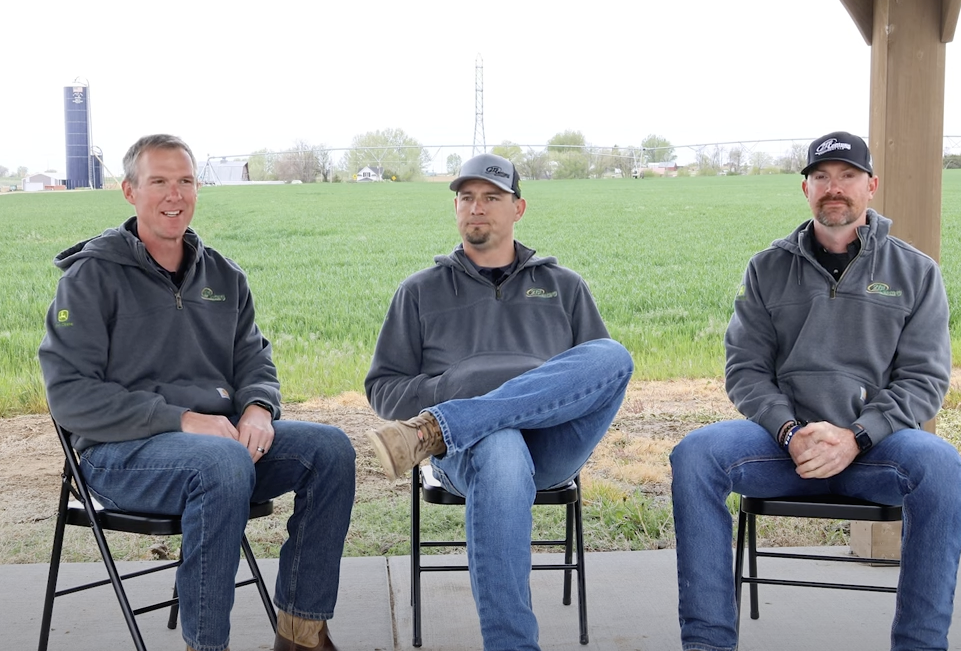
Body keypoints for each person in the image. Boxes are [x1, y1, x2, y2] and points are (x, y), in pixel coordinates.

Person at [39, 134, 355, 651]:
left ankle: (301, 634)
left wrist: (257, 408)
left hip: (222, 442)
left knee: (330, 450)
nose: (174, 194)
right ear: (129, 192)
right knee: (220, 463)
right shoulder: (90, 277)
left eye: (185, 181)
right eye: (158, 181)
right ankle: (206, 644)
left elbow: (255, 359)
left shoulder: (225, 276)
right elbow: (70, 396)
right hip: (119, 455)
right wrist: (184, 419)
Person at [669, 131, 961, 651]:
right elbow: (745, 369)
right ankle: (706, 644)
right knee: (695, 455)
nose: (836, 188)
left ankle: (920, 645)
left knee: (942, 466)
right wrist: (789, 432)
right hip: (784, 448)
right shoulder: (767, 269)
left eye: (848, 176)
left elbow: (924, 381)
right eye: (822, 177)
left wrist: (857, 436)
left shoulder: (916, 272)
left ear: (871, 186)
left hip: (877, 451)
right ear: (805, 188)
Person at [364, 153, 633, 651]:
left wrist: (479, 401)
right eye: (466, 198)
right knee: (502, 445)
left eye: (491, 198)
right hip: (466, 456)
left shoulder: (565, 287)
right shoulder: (419, 292)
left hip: (553, 445)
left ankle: (443, 425)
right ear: (456, 209)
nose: (476, 208)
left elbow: (594, 379)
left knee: (613, 354)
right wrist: (459, 384)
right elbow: (383, 388)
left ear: (519, 208)